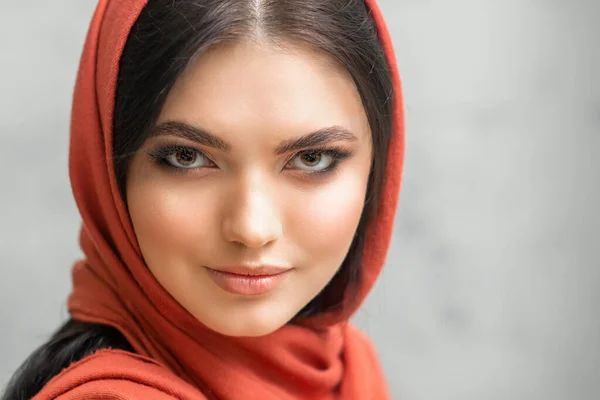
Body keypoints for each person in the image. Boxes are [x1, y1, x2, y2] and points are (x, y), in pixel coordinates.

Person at [3, 0, 404, 398]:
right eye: (186, 157)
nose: (251, 229)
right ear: (108, 169)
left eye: (310, 158)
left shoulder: (347, 367)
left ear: (378, 165)